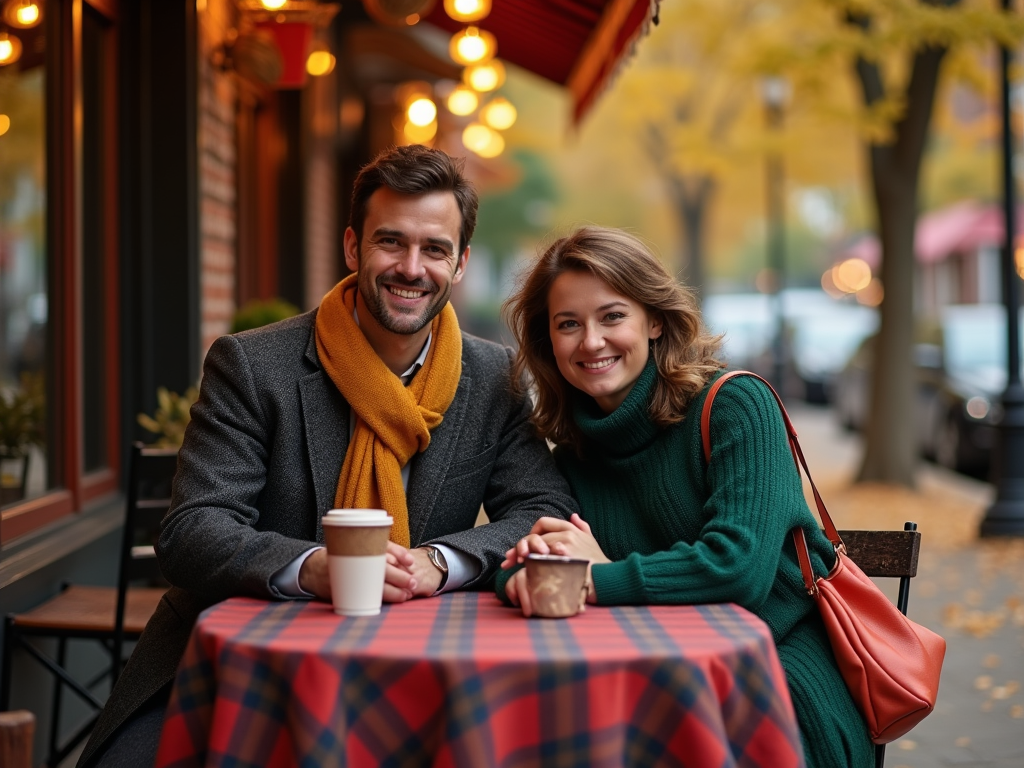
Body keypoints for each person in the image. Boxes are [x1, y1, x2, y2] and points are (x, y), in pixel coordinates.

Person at [78, 145, 578, 768]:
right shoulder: (252, 366)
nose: (411, 267)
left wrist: (439, 562)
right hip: (232, 672)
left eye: (434, 249)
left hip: (421, 673)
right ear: (351, 247)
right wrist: (314, 566)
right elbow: (189, 532)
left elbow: (543, 510)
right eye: (390, 242)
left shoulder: (493, 375)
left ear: (461, 263)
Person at [497, 226, 873, 768]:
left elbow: (737, 569)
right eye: (568, 325)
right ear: (548, 342)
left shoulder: (736, 407)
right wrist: (532, 571)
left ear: (653, 320)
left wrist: (592, 577)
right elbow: (517, 572)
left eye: (612, 316)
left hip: (772, 680)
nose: (591, 341)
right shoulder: (573, 458)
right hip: (644, 680)